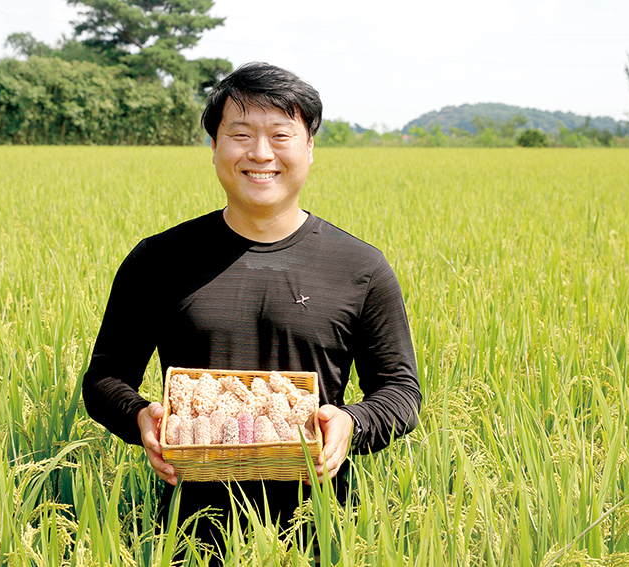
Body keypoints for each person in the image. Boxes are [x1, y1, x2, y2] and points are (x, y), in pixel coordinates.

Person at [82, 61, 421, 553]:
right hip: (190, 536)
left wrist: (353, 422)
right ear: (214, 147)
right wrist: (140, 417)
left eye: (281, 135)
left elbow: (399, 389)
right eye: (240, 134)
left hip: (319, 530)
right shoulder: (159, 260)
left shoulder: (358, 267)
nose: (261, 153)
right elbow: (104, 377)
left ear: (309, 147)